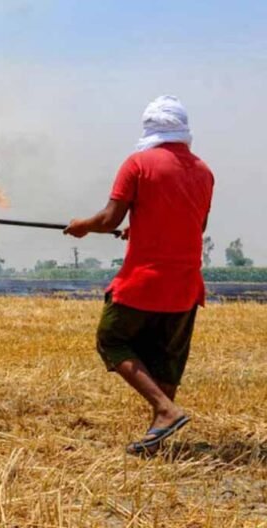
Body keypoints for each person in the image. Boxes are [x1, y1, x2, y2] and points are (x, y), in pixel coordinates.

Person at [64, 95, 214, 455]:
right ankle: (157, 435)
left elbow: (109, 219)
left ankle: (165, 410)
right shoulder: (205, 172)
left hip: (144, 283)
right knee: (166, 358)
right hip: (185, 286)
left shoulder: (138, 164)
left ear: (149, 128)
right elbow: (194, 225)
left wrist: (83, 225)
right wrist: (142, 227)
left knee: (111, 339)